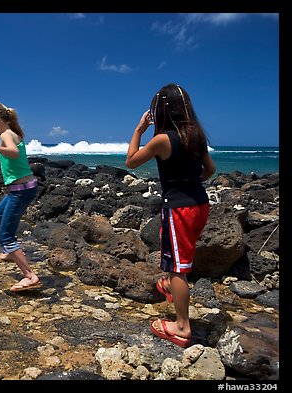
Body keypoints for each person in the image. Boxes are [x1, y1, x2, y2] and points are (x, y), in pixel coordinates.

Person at [125, 83, 216, 347]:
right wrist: (189, 183)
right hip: (200, 204)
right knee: (176, 253)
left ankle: (182, 327)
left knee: (178, 268)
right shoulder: (195, 136)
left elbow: (131, 161)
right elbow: (209, 170)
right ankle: (168, 283)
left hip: (179, 208)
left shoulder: (162, 139)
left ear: (161, 111)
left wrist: (138, 130)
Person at [0, 102, 41, 292]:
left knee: (6, 235)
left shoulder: (6, 134)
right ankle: (9, 251)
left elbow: (12, 152)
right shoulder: (13, 132)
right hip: (21, 189)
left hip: (21, 190)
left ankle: (30, 275)